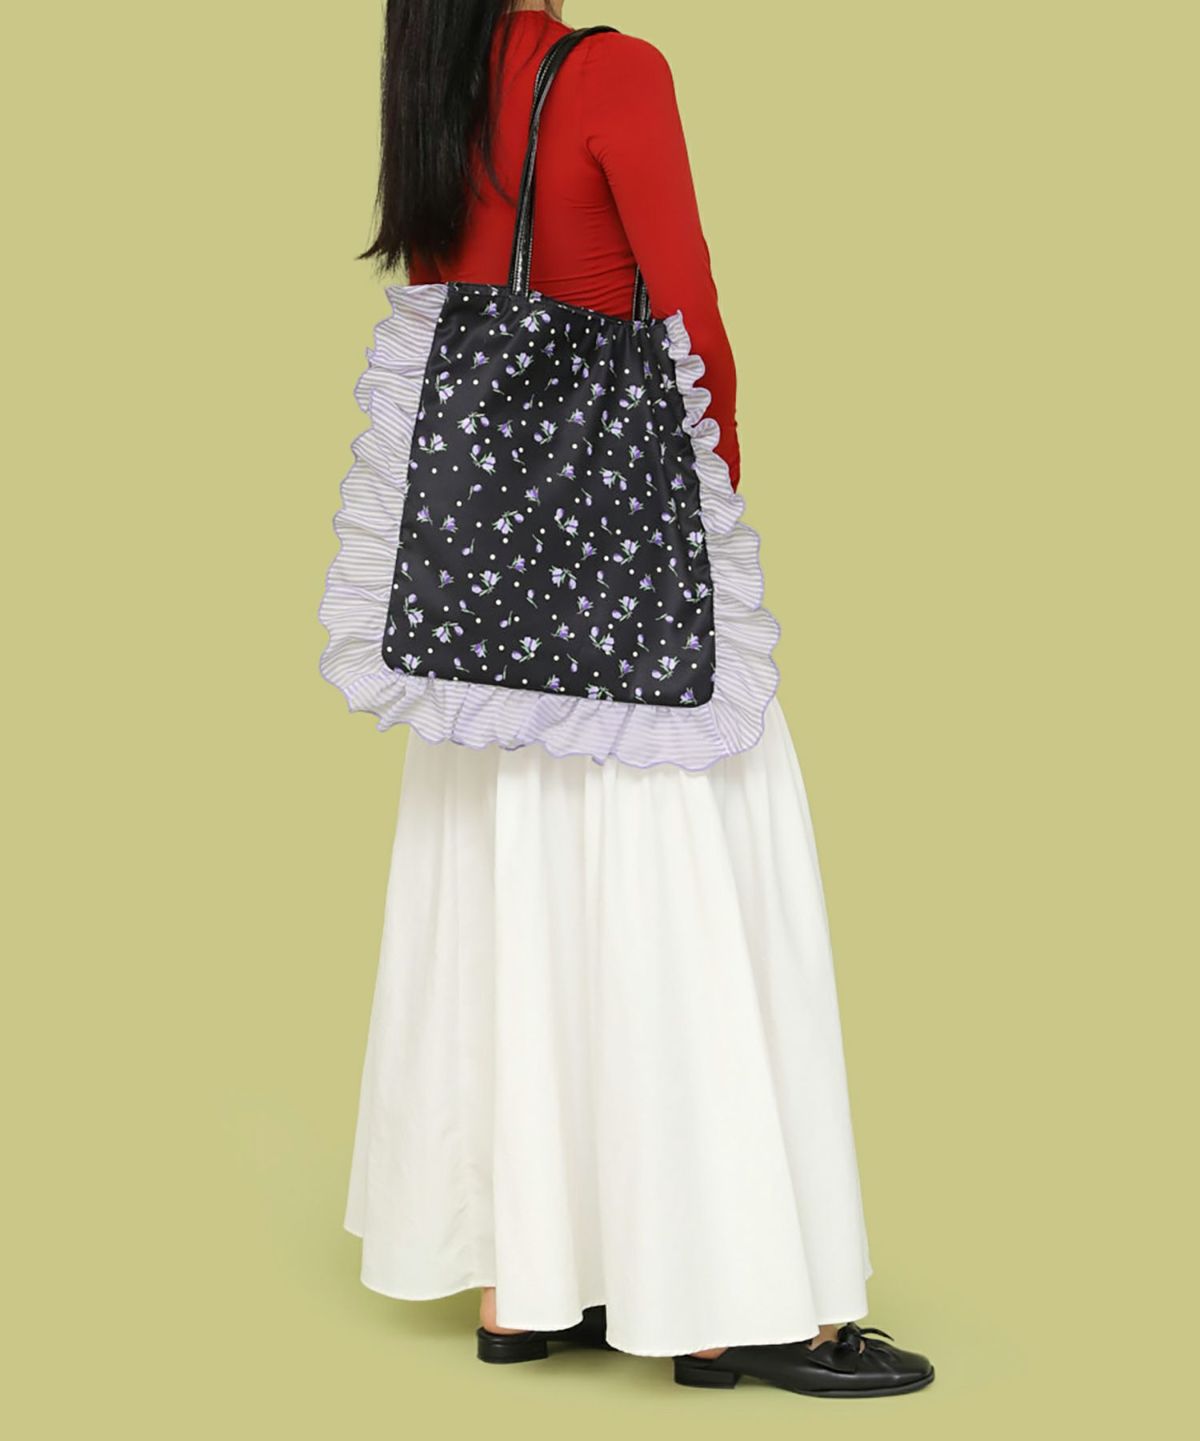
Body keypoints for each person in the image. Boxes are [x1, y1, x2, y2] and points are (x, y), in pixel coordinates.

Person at [340, 0, 934, 1399]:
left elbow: (447, 305)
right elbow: (689, 318)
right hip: (618, 562)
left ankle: (526, 1283)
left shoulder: (429, 79)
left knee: (514, 897)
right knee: (700, 882)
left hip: (483, 592)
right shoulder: (608, 72)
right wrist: (711, 498)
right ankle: (721, 1306)